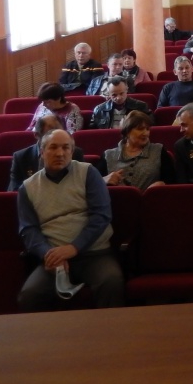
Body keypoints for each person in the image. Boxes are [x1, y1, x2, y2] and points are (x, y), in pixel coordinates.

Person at [17, 129, 124, 311]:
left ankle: (108, 330)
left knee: (111, 282)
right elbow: (28, 229)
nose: (60, 153)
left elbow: (101, 216)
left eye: (66, 148)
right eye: (53, 147)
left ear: (72, 151)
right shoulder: (28, 187)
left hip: (94, 254)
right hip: (54, 258)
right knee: (30, 295)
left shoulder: (88, 173)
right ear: (42, 152)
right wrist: (48, 254)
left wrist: (73, 248)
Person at [98, 111, 174, 190]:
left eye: (147, 129)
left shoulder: (159, 150)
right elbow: (93, 182)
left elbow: (172, 180)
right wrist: (104, 180)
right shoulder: (108, 155)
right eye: (140, 129)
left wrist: (162, 184)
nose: (146, 133)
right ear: (127, 132)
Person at [9, 114, 86, 191]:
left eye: (59, 132)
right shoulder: (21, 157)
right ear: (37, 135)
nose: (56, 137)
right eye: (50, 134)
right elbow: (14, 190)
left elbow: (82, 185)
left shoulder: (76, 153)